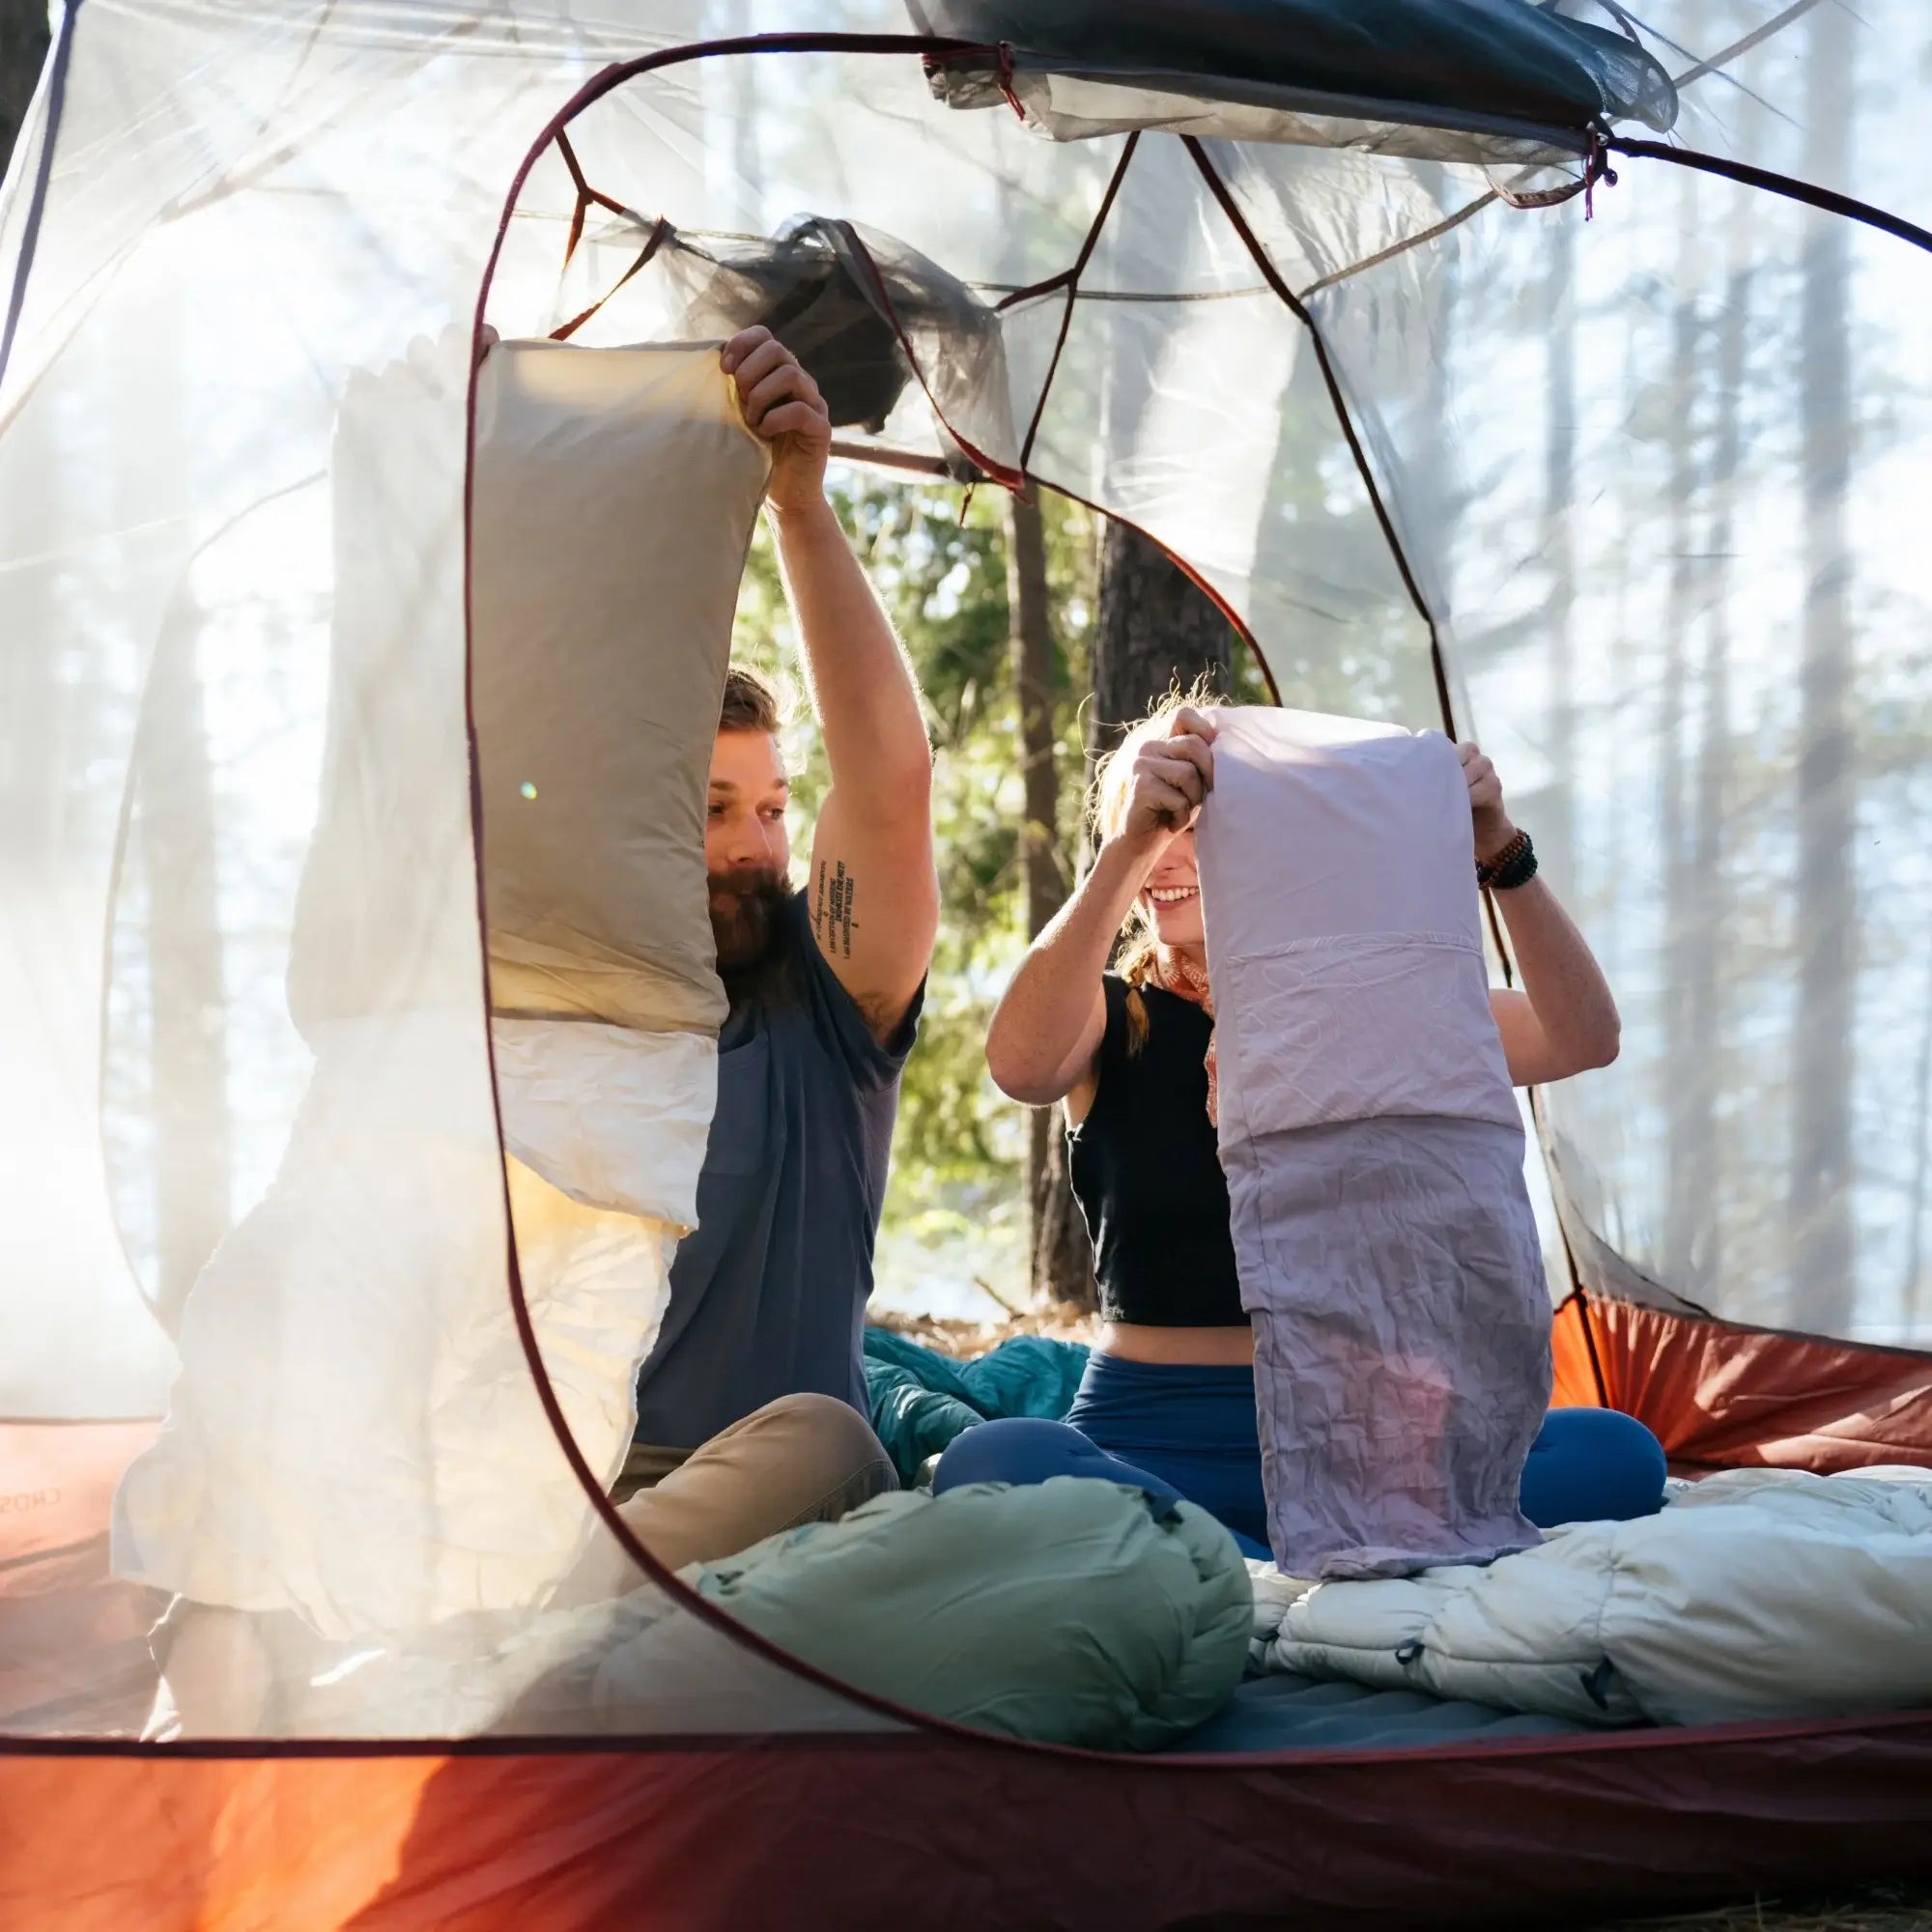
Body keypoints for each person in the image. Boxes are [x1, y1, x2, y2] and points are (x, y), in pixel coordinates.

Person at [951, 694, 1662, 1562]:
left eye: (1200, 826)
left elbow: (1584, 1036)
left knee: (1619, 1453)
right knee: (994, 1459)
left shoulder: (1367, 1004)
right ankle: (1250, 1553)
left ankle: (1225, 1559)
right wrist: (1123, 852)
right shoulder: (1110, 1013)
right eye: (1157, 822)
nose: (1173, 858)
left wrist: (1500, 851)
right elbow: (1020, 1066)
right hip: (1154, 1436)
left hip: (1360, 1444)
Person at [617, 325, 940, 1505]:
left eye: (772, 807)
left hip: (785, 1503)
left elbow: (891, 784)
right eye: (714, 808)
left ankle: (564, 1636)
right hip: (576, 1483)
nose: (757, 847)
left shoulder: (821, 1001)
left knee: (821, 1440)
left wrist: (800, 506)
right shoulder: (581, 1007)